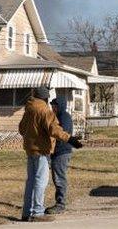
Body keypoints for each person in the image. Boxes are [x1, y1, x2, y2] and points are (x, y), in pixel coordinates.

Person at [18, 87, 82, 222]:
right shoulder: (44, 111)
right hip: (41, 151)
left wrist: (32, 136)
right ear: (45, 98)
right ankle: (37, 212)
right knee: (40, 181)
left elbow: (21, 129)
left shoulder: (28, 110)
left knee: (30, 182)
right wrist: (70, 139)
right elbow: (54, 130)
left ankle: (26, 212)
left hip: (30, 151)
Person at [46, 97, 74, 214]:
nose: (53, 108)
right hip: (57, 152)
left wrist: (53, 150)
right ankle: (59, 202)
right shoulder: (57, 117)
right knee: (56, 177)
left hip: (62, 152)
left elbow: (62, 136)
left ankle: (60, 204)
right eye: (52, 106)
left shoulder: (65, 117)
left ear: (60, 106)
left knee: (59, 178)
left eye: (55, 106)